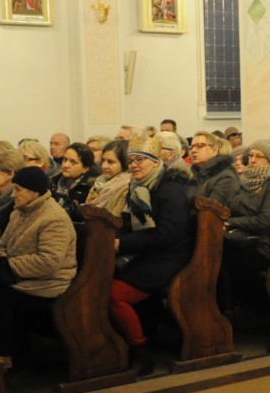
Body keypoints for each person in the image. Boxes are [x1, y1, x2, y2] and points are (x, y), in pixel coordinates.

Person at [109, 134, 191, 377]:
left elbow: (168, 235)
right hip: (145, 253)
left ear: (155, 162)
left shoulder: (171, 190)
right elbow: (128, 223)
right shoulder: (139, 187)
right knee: (98, 279)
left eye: (140, 160)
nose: (133, 165)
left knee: (113, 296)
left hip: (168, 258)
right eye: (130, 160)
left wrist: (121, 245)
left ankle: (140, 352)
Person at [0, 167, 76, 366]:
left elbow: (48, 262)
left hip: (48, 285)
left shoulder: (54, 218)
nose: (13, 195)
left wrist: (7, 266)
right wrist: (0, 260)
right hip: (23, 278)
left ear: (34, 192)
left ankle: (1, 356)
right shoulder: (18, 213)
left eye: (18, 189)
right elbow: (2, 245)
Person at [219, 140, 270, 315]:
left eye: (259, 156)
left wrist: (231, 222)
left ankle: (228, 310)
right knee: (211, 253)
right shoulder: (244, 181)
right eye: (251, 155)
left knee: (222, 260)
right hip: (241, 240)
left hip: (265, 246)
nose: (252, 160)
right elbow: (230, 207)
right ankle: (223, 306)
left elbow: (266, 221)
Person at [185, 132, 240, 206]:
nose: (193, 150)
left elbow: (212, 209)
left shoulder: (226, 176)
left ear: (214, 150)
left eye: (200, 146)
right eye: (191, 147)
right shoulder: (194, 173)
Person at [86, 139, 132, 217]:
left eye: (110, 162)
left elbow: (115, 219)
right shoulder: (98, 183)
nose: (104, 166)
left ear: (125, 163)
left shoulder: (126, 187)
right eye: (103, 160)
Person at [52, 142, 96, 219]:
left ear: (85, 168)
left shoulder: (90, 189)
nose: (66, 165)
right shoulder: (52, 182)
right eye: (65, 160)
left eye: (73, 162)